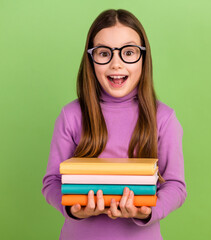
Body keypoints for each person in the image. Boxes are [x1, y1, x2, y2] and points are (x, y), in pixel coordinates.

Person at [41, 9, 187, 240]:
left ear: (143, 57)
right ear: (91, 59)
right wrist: (74, 210)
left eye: (128, 52)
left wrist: (149, 212)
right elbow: (51, 182)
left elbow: (176, 185)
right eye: (103, 53)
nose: (116, 64)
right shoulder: (71, 115)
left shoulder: (164, 118)